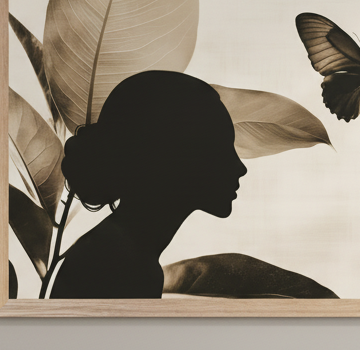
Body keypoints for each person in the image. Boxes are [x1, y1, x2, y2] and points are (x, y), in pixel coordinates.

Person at [51, 70, 246, 299]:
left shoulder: (115, 251)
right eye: (221, 149)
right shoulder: (121, 264)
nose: (240, 167)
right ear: (172, 159)